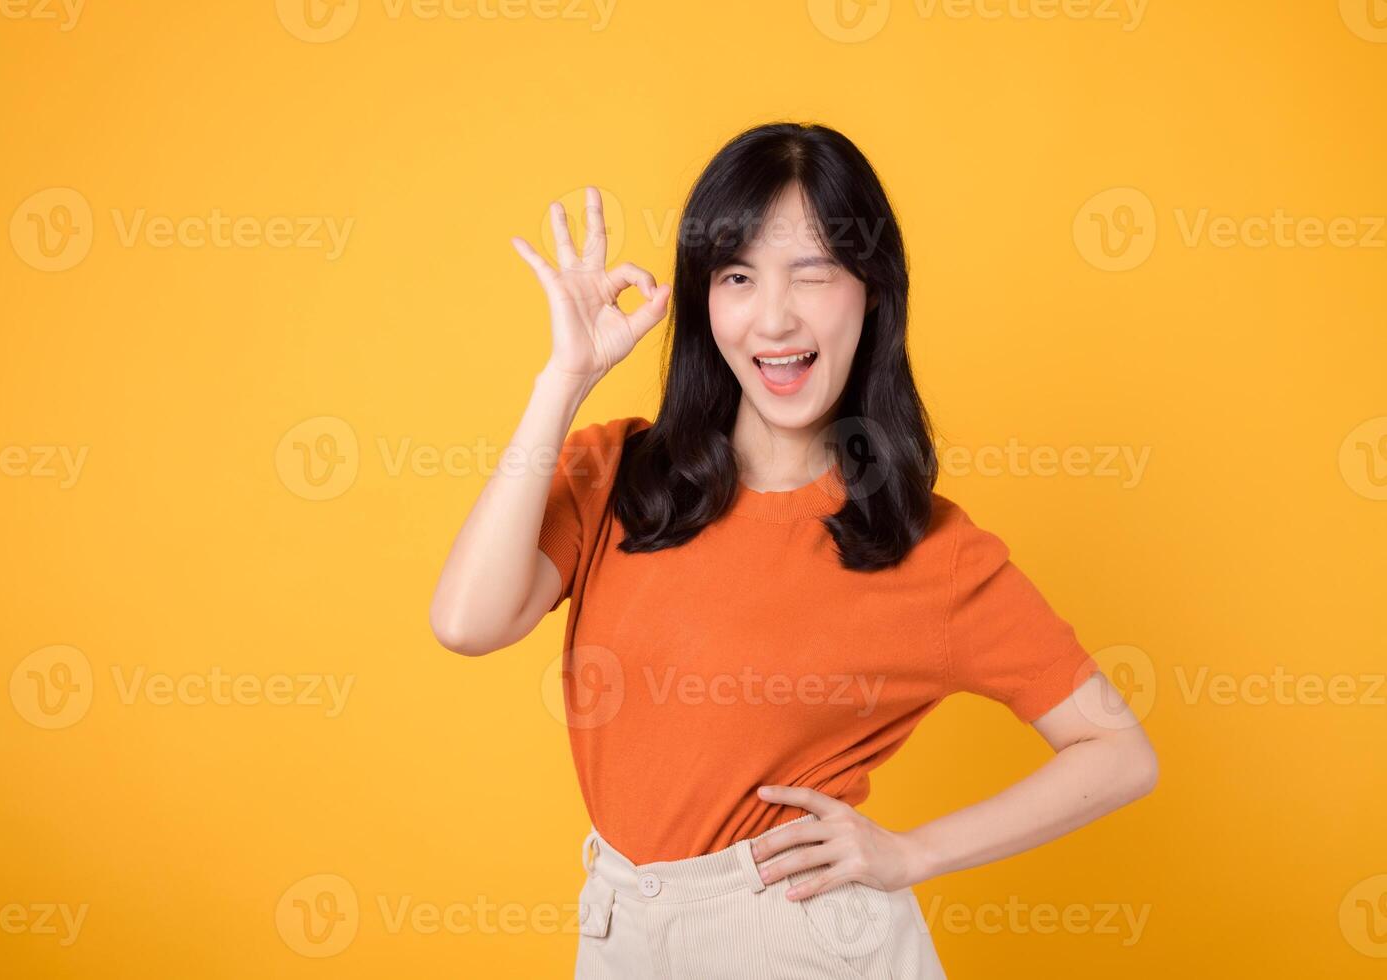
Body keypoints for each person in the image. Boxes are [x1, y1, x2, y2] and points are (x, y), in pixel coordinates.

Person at [430, 121, 1158, 979]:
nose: (773, 317)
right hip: (620, 928)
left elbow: (1119, 754)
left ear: (872, 291)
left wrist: (913, 854)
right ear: (707, 300)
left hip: (799, 942)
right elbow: (465, 622)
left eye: (811, 273)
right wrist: (563, 380)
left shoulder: (928, 550)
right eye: (737, 276)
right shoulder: (618, 475)